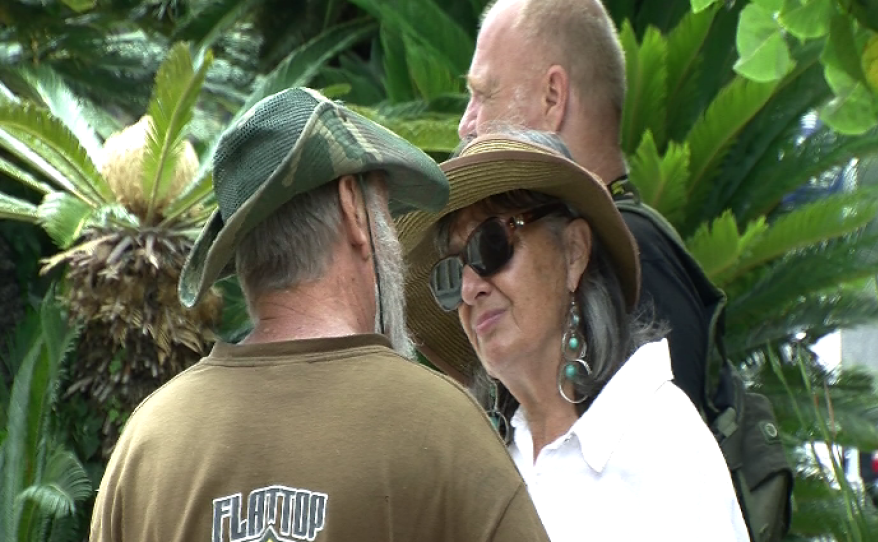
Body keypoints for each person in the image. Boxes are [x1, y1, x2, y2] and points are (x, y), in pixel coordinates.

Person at [88, 87, 552, 542]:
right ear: (353, 207)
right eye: (384, 210)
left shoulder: (147, 445)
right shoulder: (443, 430)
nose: (391, 235)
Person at [396, 131, 749, 541]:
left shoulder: (659, 442)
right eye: (451, 273)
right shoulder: (482, 461)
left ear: (574, 252)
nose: (469, 287)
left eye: (491, 244)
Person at [458, 0, 713, 411]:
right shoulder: (630, 248)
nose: (466, 124)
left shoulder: (632, 256)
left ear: (552, 97)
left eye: (483, 94)